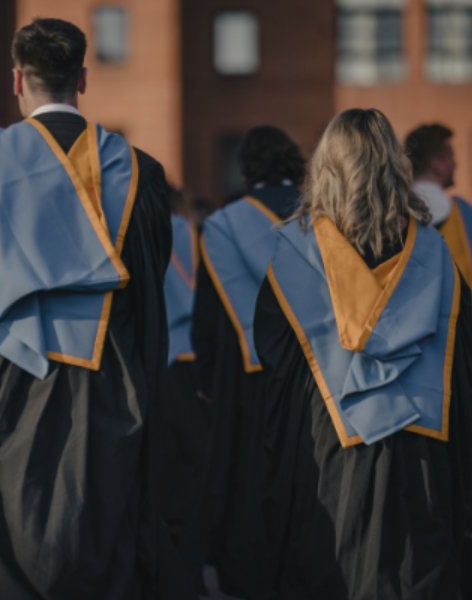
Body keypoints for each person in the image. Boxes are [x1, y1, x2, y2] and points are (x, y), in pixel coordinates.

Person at [0, 19, 195, 600]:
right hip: (113, 385)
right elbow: (149, 298)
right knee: (108, 539)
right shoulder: (141, 171)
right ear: (84, 78)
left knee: (11, 545)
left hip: (15, 387)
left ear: (17, 80)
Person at [254, 108, 472, 599]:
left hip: (329, 449)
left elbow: (275, 373)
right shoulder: (437, 256)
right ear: (393, 165)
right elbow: (464, 371)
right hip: (422, 450)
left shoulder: (294, 255)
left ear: (325, 168)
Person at [180, 125, 304, 599]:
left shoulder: (225, 223)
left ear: (246, 167)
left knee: (250, 481)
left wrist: (206, 378)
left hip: (248, 373)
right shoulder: (321, 218)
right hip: (316, 370)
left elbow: (209, 311)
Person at [154, 187, 211, 544]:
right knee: (198, 453)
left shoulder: (145, 230)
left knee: (170, 452)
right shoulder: (190, 230)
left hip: (164, 352)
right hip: (196, 348)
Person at [405, 124, 472, 342]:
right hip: (467, 342)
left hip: (410, 344)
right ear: (437, 165)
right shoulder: (469, 219)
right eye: (450, 156)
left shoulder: (389, 218)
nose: (456, 163)